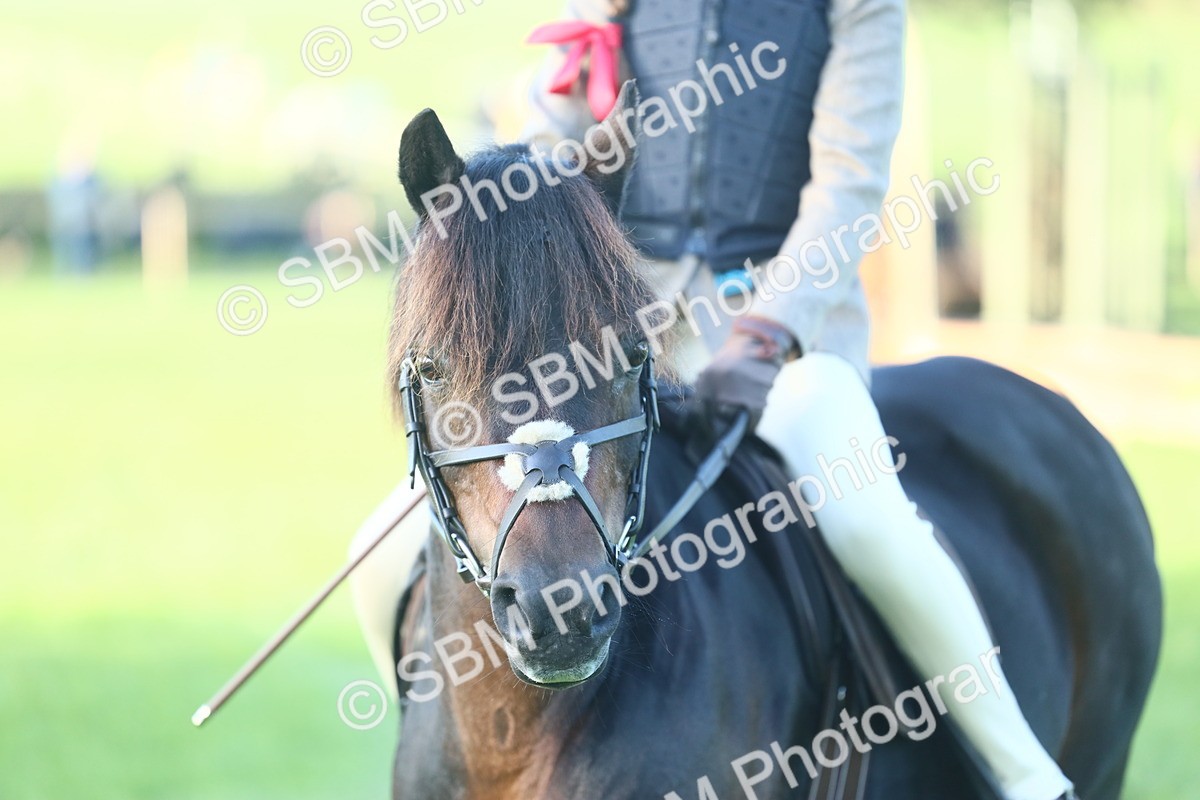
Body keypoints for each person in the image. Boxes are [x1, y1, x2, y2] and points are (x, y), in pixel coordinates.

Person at [352, 1, 1077, 797]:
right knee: (378, 550)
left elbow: (850, 180)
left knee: (866, 516)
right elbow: (547, 168)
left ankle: (1023, 770)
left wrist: (766, 333)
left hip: (788, 337)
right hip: (613, 341)